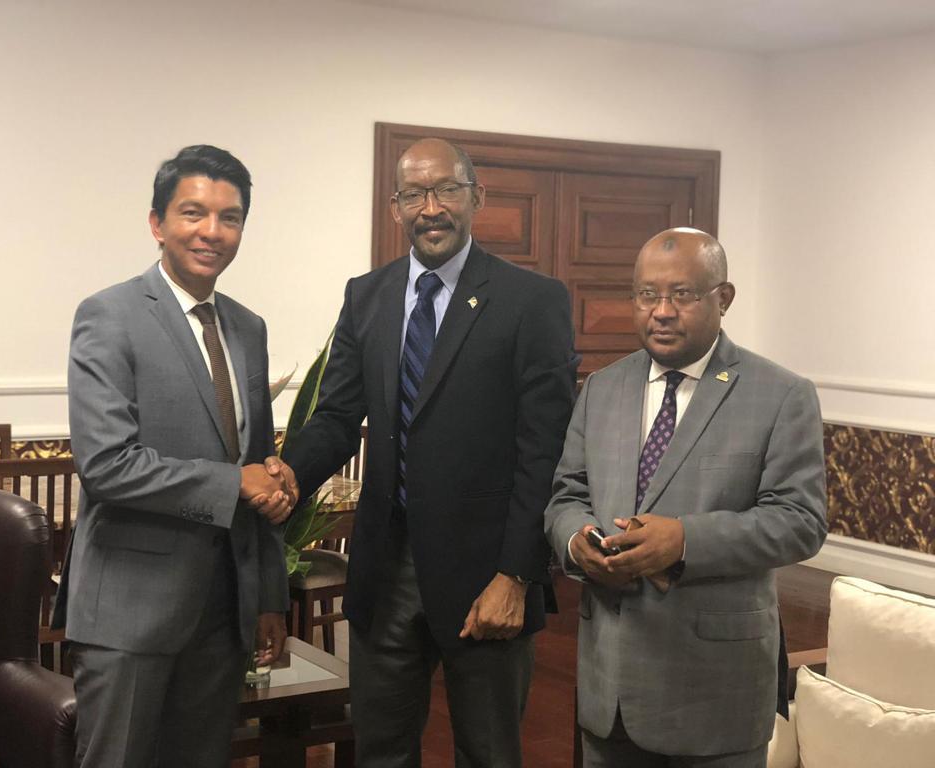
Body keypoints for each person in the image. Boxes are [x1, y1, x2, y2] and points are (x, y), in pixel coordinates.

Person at [282, 138, 578, 767]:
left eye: (446, 189)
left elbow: (543, 452)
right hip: (384, 571)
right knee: (380, 752)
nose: (431, 207)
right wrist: (285, 475)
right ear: (396, 207)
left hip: (486, 577)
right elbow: (336, 418)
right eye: (414, 194)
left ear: (476, 197)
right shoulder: (367, 295)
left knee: (488, 754)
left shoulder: (532, 301)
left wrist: (517, 575)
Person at [54, 144, 299, 768]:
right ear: (157, 223)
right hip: (130, 612)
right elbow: (106, 465)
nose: (212, 231)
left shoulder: (248, 327)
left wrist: (269, 595)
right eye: (193, 213)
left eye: (230, 217)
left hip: (224, 611)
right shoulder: (108, 316)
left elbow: (256, 461)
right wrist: (234, 484)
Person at [544, 227, 827, 767]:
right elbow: (566, 495)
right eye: (647, 295)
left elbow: (800, 520)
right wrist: (577, 542)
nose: (662, 311)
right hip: (610, 693)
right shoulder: (601, 388)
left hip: (716, 695)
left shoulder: (782, 395)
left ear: (724, 298)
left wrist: (684, 541)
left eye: (683, 294)